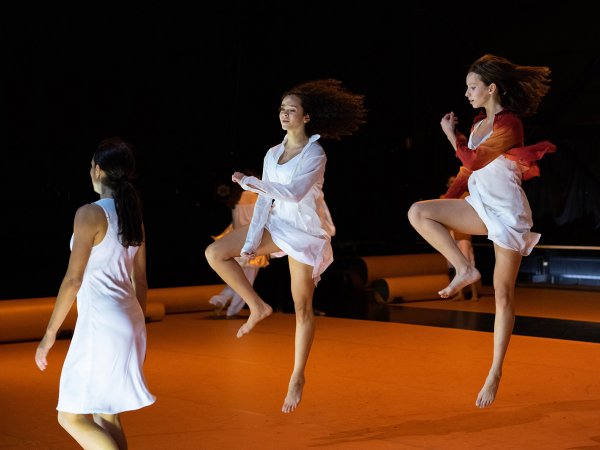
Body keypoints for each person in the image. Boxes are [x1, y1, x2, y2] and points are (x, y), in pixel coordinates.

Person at [205, 79, 366, 413]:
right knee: (215, 253)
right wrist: (250, 244)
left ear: (307, 117)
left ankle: (297, 376)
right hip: (278, 226)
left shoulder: (315, 153)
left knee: (302, 307)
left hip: (305, 232)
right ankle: (257, 306)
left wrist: (249, 182)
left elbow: (292, 193)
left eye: (292, 110)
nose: (285, 114)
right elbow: (265, 203)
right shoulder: (272, 153)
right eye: (282, 109)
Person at [407, 54, 556, 408]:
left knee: (503, 296)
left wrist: (450, 136)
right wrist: (446, 205)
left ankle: (495, 372)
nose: (467, 93)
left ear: (491, 89)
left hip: (506, 214)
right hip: (479, 205)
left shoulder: (511, 125)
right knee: (418, 212)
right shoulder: (475, 126)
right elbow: (466, 172)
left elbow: (474, 160)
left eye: (473, 87)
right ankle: (464, 268)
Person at [35, 137, 155, 448]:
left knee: (70, 416)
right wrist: (137, 327)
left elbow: (73, 280)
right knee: (108, 414)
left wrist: (50, 334)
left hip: (101, 324)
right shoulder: (133, 218)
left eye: (91, 166)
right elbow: (140, 281)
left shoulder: (89, 213)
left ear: (98, 170)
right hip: (130, 318)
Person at [209, 183, 269, 319]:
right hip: (251, 243)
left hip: (235, 243)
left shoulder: (235, 199)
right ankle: (232, 311)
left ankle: (220, 299)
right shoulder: (256, 198)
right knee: (246, 283)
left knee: (237, 279)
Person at [442, 172, 479, 301]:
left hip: (463, 235)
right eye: (451, 182)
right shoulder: (443, 198)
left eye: (455, 181)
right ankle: (460, 293)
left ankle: (474, 294)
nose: (453, 184)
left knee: (468, 264)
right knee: (457, 265)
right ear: (447, 184)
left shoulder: (466, 196)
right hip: (451, 236)